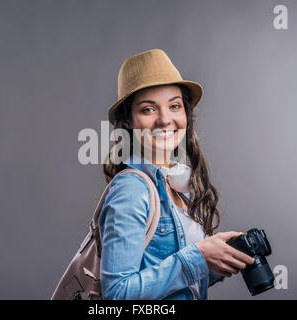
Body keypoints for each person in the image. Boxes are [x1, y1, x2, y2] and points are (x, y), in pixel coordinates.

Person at [98, 49, 255, 300]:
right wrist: (198, 257)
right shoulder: (131, 189)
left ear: (185, 113)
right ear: (128, 121)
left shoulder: (178, 184)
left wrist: (218, 259)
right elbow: (117, 295)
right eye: (148, 109)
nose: (165, 119)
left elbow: (171, 282)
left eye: (174, 106)